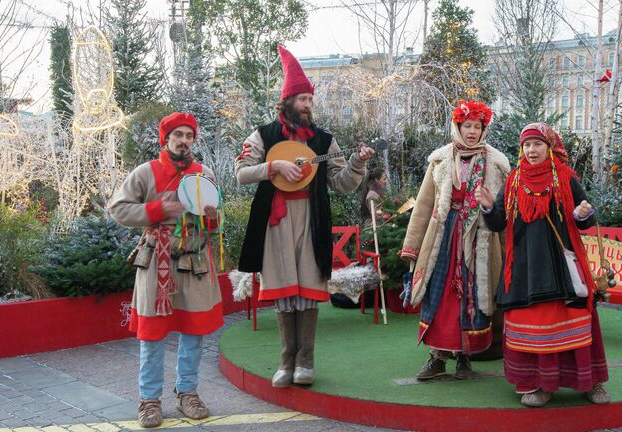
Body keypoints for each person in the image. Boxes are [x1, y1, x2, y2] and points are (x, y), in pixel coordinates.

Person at [234, 45, 374, 388]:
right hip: (276, 223)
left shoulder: (325, 141)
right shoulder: (263, 136)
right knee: (283, 291)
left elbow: (341, 183)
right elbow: (241, 172)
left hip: (312, 221)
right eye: (302, 99)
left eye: (310, 99)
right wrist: (273, 166)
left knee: (309, 289)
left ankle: (306, 362)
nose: (308, 105)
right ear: (287, 102)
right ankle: (286, 361)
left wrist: (358, 163)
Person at [476, 122, 610, 407]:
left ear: (549, 147)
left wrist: (584, 213)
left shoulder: (566, 178)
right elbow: (498, 221)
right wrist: (488, 207)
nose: (531, 150)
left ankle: (590, 381)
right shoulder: (514, 180)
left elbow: (585, 219)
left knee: (574, 322)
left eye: (537, 144)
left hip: (562, 267)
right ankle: (540, 384)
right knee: (535, 325)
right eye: (526, 145)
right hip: (525, 268)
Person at [108, 112, 223, 428]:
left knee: (194, 332)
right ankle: (149, 400)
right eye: (178, 135)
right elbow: (117, 208)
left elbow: (215, 221)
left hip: (195, 261)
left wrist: (212, 217)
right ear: (167, 138)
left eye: (189, 135)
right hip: (155, 259)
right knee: (153, 335)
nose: (184, 140)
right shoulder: (146, 173)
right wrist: (158, 209)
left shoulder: (205, 173)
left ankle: (187, 393)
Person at [400, 100, 510, 380]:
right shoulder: (439, 159)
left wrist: (510, 250)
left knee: (474, 298)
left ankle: (465, 359)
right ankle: (437, 358)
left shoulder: (497, 163)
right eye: (467, 126)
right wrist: (412, 246)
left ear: (483, 129)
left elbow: (505, 209)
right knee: (438, 297)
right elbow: (425, 204)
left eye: (477, 126)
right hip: (443, 238)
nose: (472, 132)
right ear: (457, 126)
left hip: (480, 239)